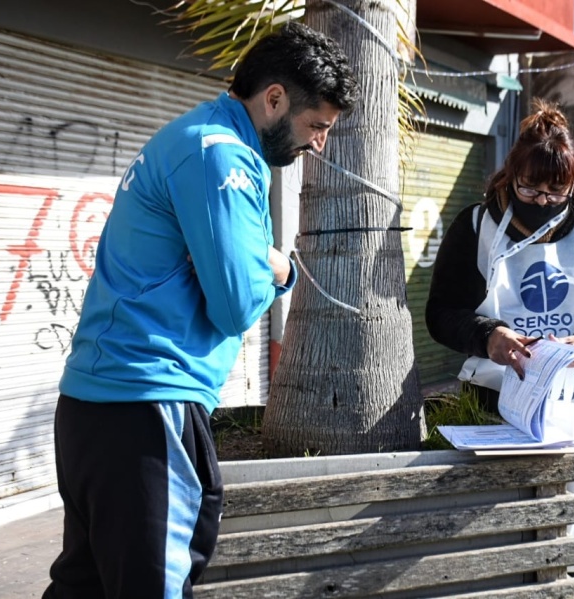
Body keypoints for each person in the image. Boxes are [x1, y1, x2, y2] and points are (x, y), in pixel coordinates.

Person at [44, 21, 359, 599]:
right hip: (146, 407)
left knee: (84, 586)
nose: (319, 143)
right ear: (274, 99)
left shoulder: (189, 136)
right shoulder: (223, 157)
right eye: (317, 126)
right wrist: (282, 273)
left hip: (97, 408)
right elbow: (237, 305)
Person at [425, 98, 574, 599]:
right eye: (529, 188)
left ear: (573, 183)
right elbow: (441, 312)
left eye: (556, 191)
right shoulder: (476, 225)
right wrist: (489, 336)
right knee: (498, 531)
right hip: (495, 401)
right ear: (511, 174)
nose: (542, 200)